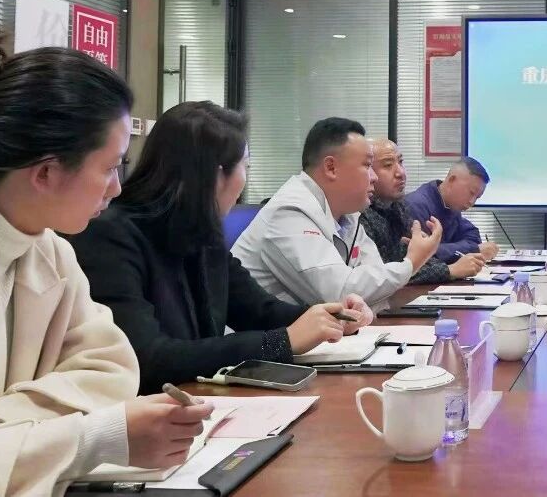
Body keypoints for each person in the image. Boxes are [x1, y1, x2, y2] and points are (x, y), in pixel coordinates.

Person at [0, 31, 212, 495]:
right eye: (110, 167)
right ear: (46, 172)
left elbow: (112, 368)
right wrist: (87, 439)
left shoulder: (48, 249)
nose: (117, 188)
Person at [69, 102, 372, 395]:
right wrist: (282, 341)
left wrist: (331, 318)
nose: (245, 180)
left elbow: (259, 311)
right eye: (245, 166)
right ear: (215, 175)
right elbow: (147, 358)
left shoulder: (201, 233)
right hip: (149, 413)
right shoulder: (109, 236)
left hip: (199, 403)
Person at [233, 118, 443, 310]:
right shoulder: (289, 212)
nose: (374, 177)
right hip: (260, 338)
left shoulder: (349, 215)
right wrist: (412, 262)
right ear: (331, 167)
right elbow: (340, 292)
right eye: (367, 165)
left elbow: (376, 290)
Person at [360, 139, 487, 284]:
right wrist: (450, 270)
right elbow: (385, 273)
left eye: (401, 162)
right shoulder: (362, 213)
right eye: (388, 165)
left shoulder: (397, 207)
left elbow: (412, 261)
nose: (401, 172)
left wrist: (429, 253)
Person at [405, 157, 499, 264]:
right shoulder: (415, 206)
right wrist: (473, 250)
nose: (472, 202)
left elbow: (473, 237)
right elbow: (424, 258)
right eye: (471, 193)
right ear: (452, 180)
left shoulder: (452, 205)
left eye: (477, 197)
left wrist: (439, 249)